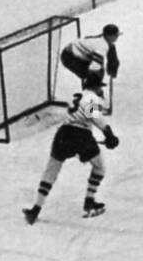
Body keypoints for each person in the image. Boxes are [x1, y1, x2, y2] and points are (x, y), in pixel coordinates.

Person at [23, 72, 119, 224]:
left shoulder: (76, 96)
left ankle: (35, 209)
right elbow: (95, 117)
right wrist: (109, 134)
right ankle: (89, 202)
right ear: (95, 87)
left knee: (51, 171)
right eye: (100, 87)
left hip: (63, 134)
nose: (102, 90)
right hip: (81, 134)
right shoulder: (91, 98)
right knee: (99, 167)